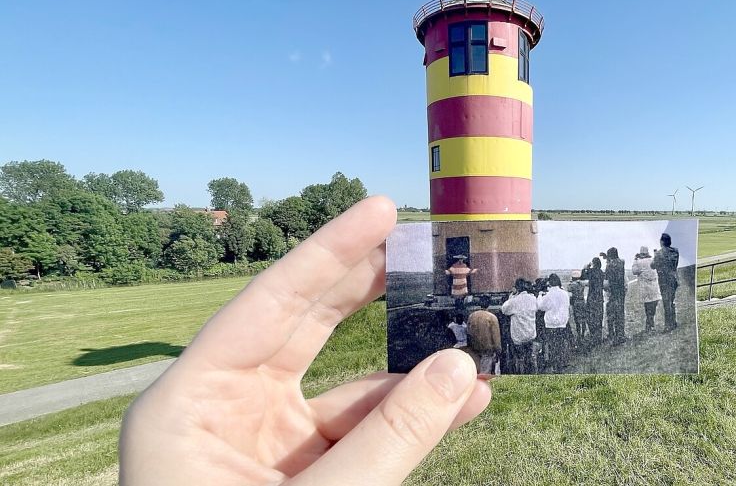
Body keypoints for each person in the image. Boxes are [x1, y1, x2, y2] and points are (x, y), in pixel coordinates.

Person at [119, 196, 492, 485]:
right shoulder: (466, 269)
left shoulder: (452, 268)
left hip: (454, 299)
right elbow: (471, 270)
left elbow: (454, 270)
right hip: (462, 298)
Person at [500, 278, 538, 374]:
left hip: (519, 336)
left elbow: (504, 309)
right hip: (530, 334)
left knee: (519, 359)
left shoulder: (514, 301)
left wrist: (511, 297)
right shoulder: (533, 299)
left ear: (517, 288)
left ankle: (521, 375)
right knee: (530, 358)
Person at [536, 273, 571, 371]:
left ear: (550, 283)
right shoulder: (564, 293)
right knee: (561, 345)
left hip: (551, 324)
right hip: (562, 323)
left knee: (552, 347)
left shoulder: (549, 294)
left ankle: (555, 367)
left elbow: (541, 307)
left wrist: (539, 296)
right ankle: (561, 364)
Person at [651, 233, 680, 332]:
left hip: (665, 281)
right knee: (672, 301)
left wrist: (655, 255)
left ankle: (668, 325)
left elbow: (652, 266)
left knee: (666, 303)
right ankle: (674, 321)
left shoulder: (659, 254)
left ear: (662, 241)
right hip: (674, 279)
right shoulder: (675, 251)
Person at [467, 298, 502, 376]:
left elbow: (468, 333)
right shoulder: (492, 317)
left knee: (475, 370)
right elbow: (495, 336)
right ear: (489, 305)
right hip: (487, 348)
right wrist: (498, 349)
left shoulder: (472, 316)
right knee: (485, 372)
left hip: (475, 348)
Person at [632, 246, 662, 332]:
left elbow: (634, 271)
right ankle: (650, 324)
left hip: (645, 288)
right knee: (653, 306)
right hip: (654, 287)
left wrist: (635, 259)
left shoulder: (637, 261)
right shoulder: (652, 260)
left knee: (647, 307)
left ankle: (649, 325)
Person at [604, 247, 627, 345]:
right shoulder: (621, 262)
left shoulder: (609, 265)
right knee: (620, 314)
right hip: (621, 292)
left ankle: (613, 335)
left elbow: (606, 282)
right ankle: (621, 334)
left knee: (611, 314)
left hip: (613, 292)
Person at [581, 257, 605, 347]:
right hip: (599, 297)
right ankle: (598, 337)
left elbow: (582, 275)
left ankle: (593, 335)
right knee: (599, 317)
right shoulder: (602, 273)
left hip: (591, 298)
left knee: (590, 318)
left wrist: (586, 267)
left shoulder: (591, 272)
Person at [568, 270, 588, 345]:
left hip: (576, 302)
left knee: (577, 320)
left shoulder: (572, 284)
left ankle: (579, 334)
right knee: (583, 319)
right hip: (582, 301)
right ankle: (583, 334)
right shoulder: (582, 283)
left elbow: (569, 289)